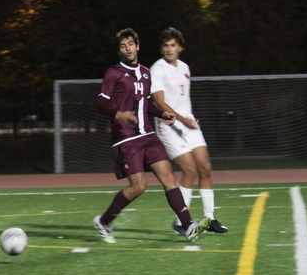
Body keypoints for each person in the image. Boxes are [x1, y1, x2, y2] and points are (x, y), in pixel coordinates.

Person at [93, 28, 210, 244]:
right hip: (126, 138)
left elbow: (146, 103)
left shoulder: (146, 73)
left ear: (137, 46)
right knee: (138, 186)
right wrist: (118, 113)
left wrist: (162, 112)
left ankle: (187, 225)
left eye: (130, 44)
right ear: (119, 51)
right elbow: (101, 102)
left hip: (148, 134)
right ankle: (104, 221)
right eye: (122, 45)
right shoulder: (114, 72)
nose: (127, 48)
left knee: (168, 176)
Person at [150, 27, 228, 234]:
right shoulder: (157, 69)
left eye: (173, 45)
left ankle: (209, 219)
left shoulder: (185, 67)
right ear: (161, 48)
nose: (169, 49)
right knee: (190, 169)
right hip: (168, 126)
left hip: (188, 124)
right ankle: (180, 221)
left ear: (180, 47)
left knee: (205, 168)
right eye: (166, 45)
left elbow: (183, 100)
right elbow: (158, 102)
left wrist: (187, 120)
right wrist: (182, 120)